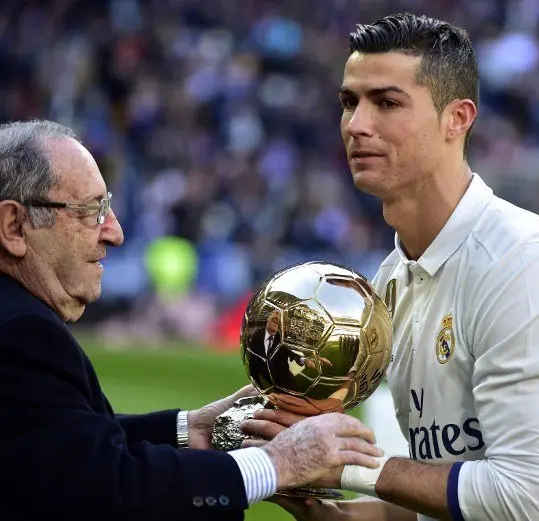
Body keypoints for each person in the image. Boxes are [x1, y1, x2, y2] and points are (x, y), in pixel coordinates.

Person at [242, 12, 539, 521]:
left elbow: (527, 500)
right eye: (349, 102)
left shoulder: (524, 265)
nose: (357, 125)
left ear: (457, 118)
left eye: (387, 102)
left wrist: (345, 467)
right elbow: (437, 490)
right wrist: (318, 504)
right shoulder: (392, 281)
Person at [0, 119, 384, 520]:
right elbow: (104, 487)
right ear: (14, 226)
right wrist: (279, 463)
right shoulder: (22, 334)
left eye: (108, 207)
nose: (115, 232)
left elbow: (68, 441)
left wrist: (193, 428)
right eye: (91, 211)